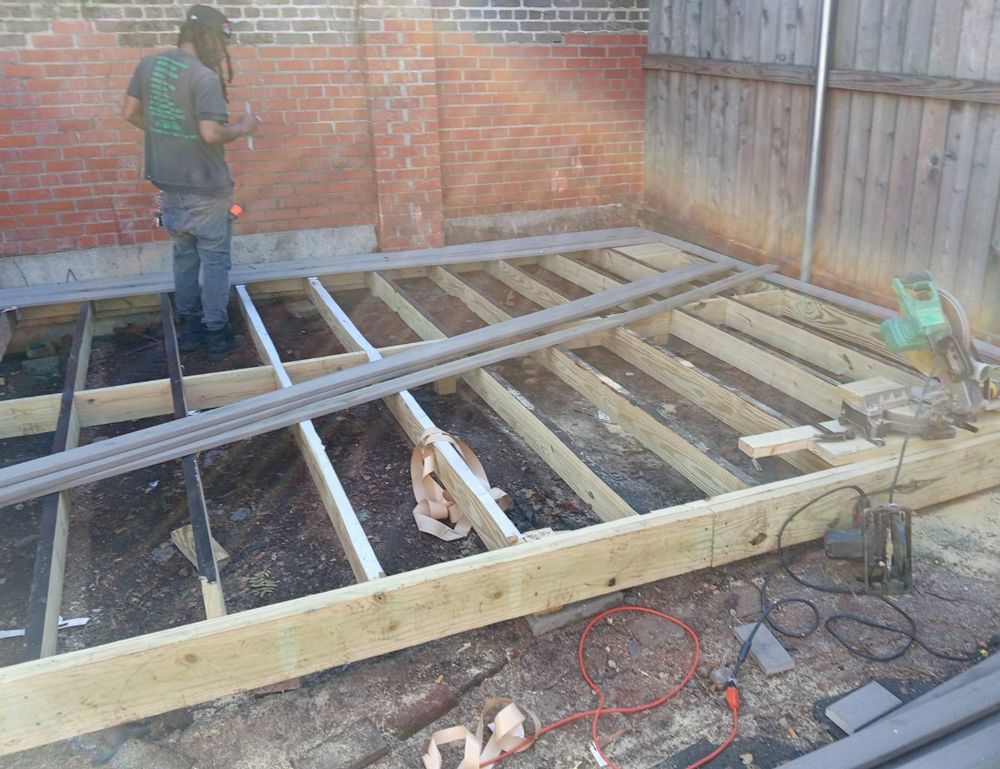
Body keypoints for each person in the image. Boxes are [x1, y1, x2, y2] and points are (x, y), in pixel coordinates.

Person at [122, 4, 259, 360]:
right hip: (207, 189)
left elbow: (129, 113)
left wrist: (170, 138)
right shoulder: (203, 76)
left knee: (184, 256)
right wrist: (244, 127)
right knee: (214, 261)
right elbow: (211, 133)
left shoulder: (149, 65)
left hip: (168, 183)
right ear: (210, 37)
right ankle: (215, 333)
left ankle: (190, 328)